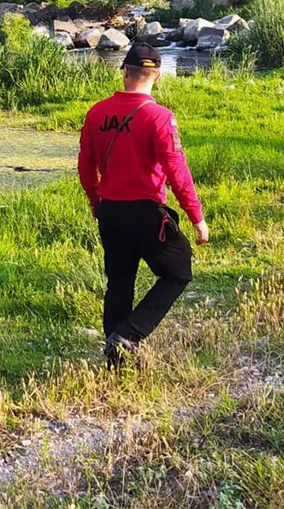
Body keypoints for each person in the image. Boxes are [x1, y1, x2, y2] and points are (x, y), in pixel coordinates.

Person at [77, 43, 210, 371]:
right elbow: (177, 172)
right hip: (146, 213)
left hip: (110, 211)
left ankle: (116, 359)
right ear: (158, 76)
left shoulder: (96, 112)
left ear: (124, 71)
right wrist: (197, 218)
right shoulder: (160, 117)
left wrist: (95, 202)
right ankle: (129, 335)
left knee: (119, 281)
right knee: (178, 272)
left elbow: (85, 166)